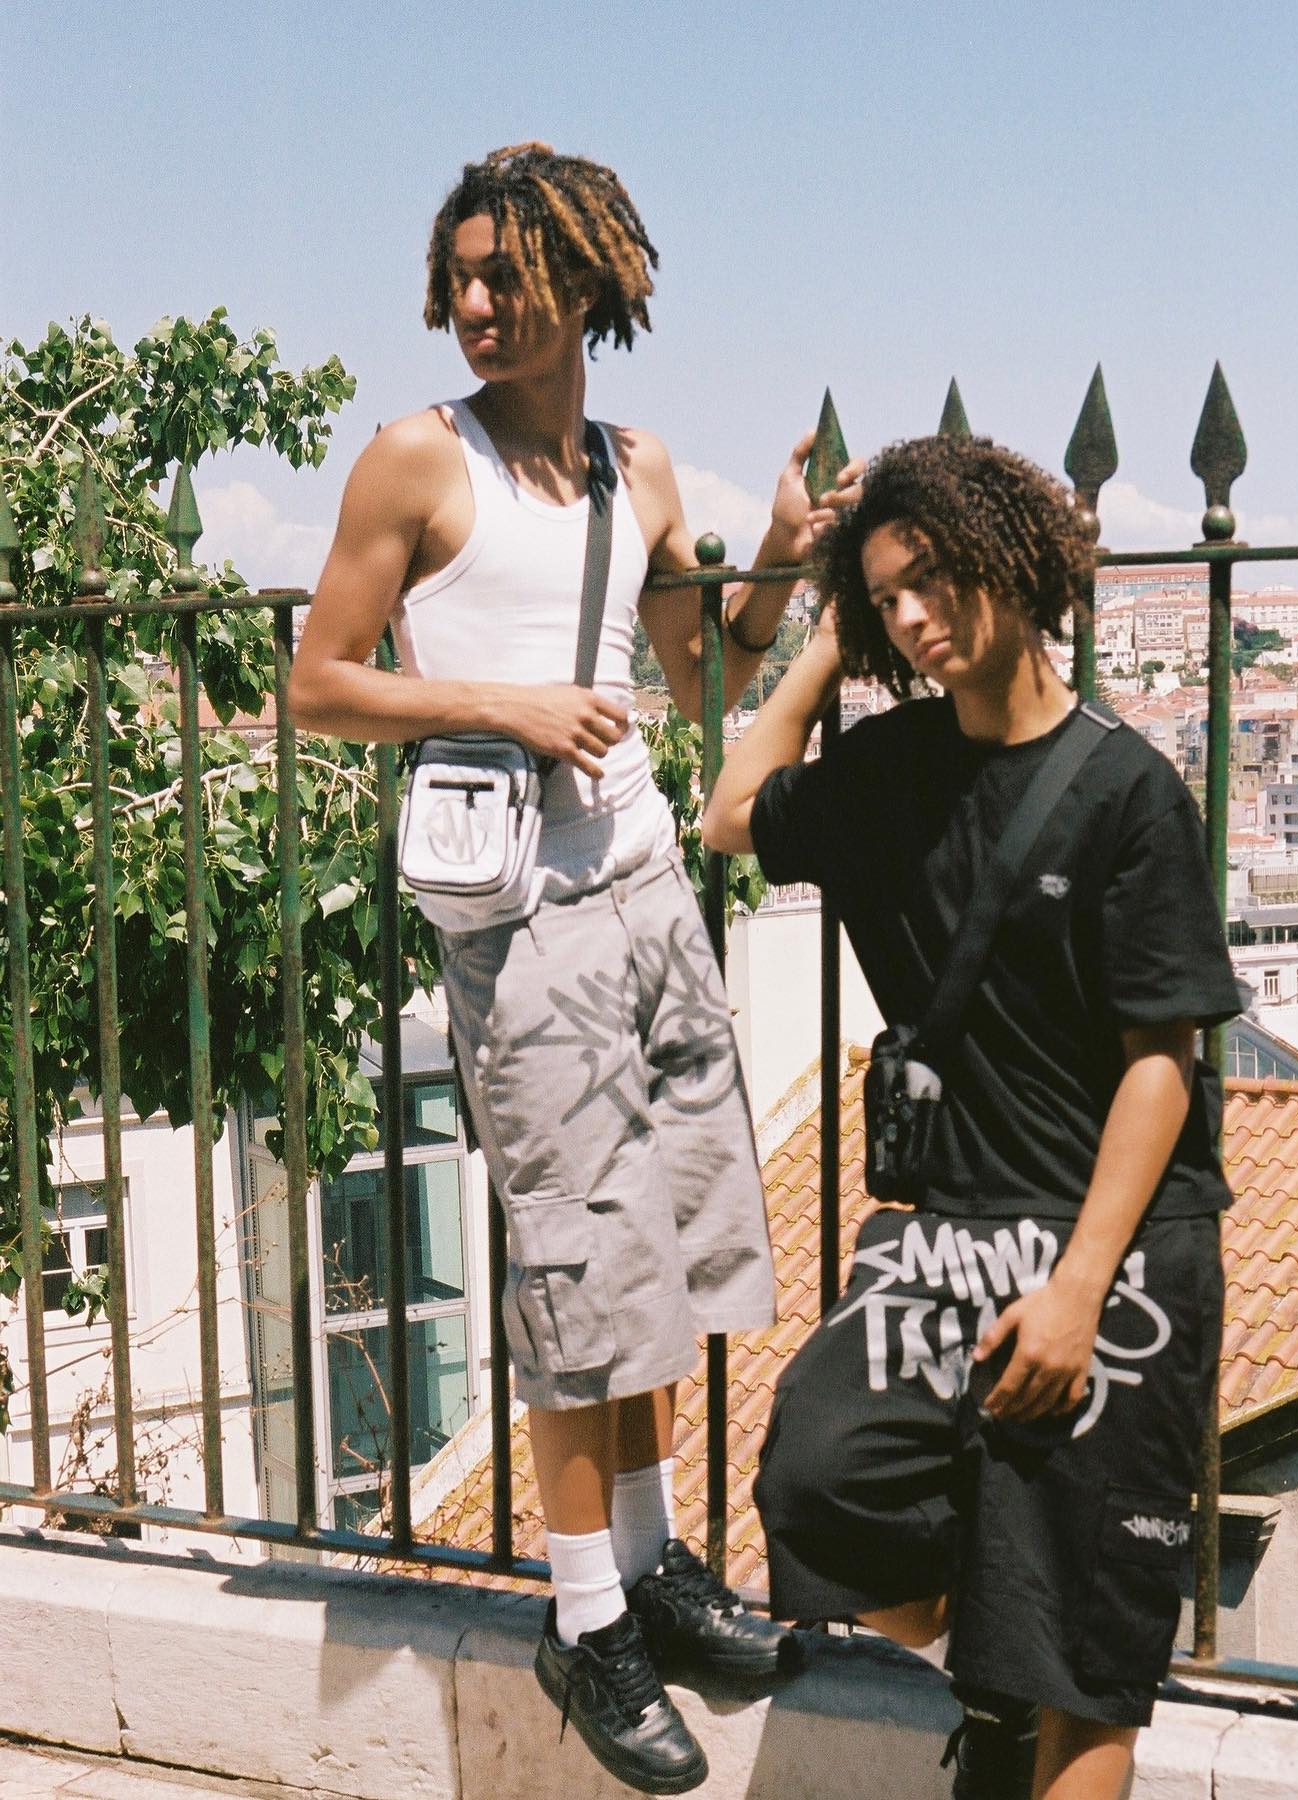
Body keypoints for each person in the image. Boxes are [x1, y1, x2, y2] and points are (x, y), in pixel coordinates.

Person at [291, 143, 851, 1796]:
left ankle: (658, 1567)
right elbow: (318, 682)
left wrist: (775, 557)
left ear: (583, 283)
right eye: (459, 276)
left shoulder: (638, 468)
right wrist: (505, 703)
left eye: (504, 275)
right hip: (520, 923)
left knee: (660, 1239)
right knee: (570, 1259)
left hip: (651, 893)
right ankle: (587, 1615)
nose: (474, 302)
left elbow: (704, 681)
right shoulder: (417, 460)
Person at [702, 435, 1241, 1800]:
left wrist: (1078, 1290)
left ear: (1011, 559)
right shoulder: (892, 769)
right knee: (816, 1481)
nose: (913, 616)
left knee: (1085, 1672)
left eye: (931, 578)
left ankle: (1021, 1684)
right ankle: (989, 1675)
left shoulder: (1128, 791)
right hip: (951, 1236)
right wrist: (826, 637)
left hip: (1120, 1249)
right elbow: (729, 814)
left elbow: (1164, 1063)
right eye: (887, 596)